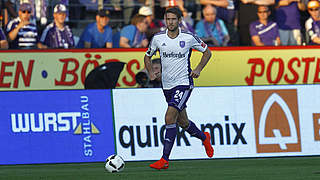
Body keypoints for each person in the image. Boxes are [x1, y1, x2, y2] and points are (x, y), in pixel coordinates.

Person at [144, 7, 214, 170]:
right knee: (182, 122)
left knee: (169, 117)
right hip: (167, 86)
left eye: (174, 19)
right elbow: (147, 56)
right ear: (165, 20)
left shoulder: (188, 38)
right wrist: (151, 72)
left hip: (184, 83)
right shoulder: (158, 38)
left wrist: (197, 69)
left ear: (179, 20)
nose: (171, 22)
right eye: (168, 19)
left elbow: (207, 52)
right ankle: (204, 137)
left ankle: (164, 159)